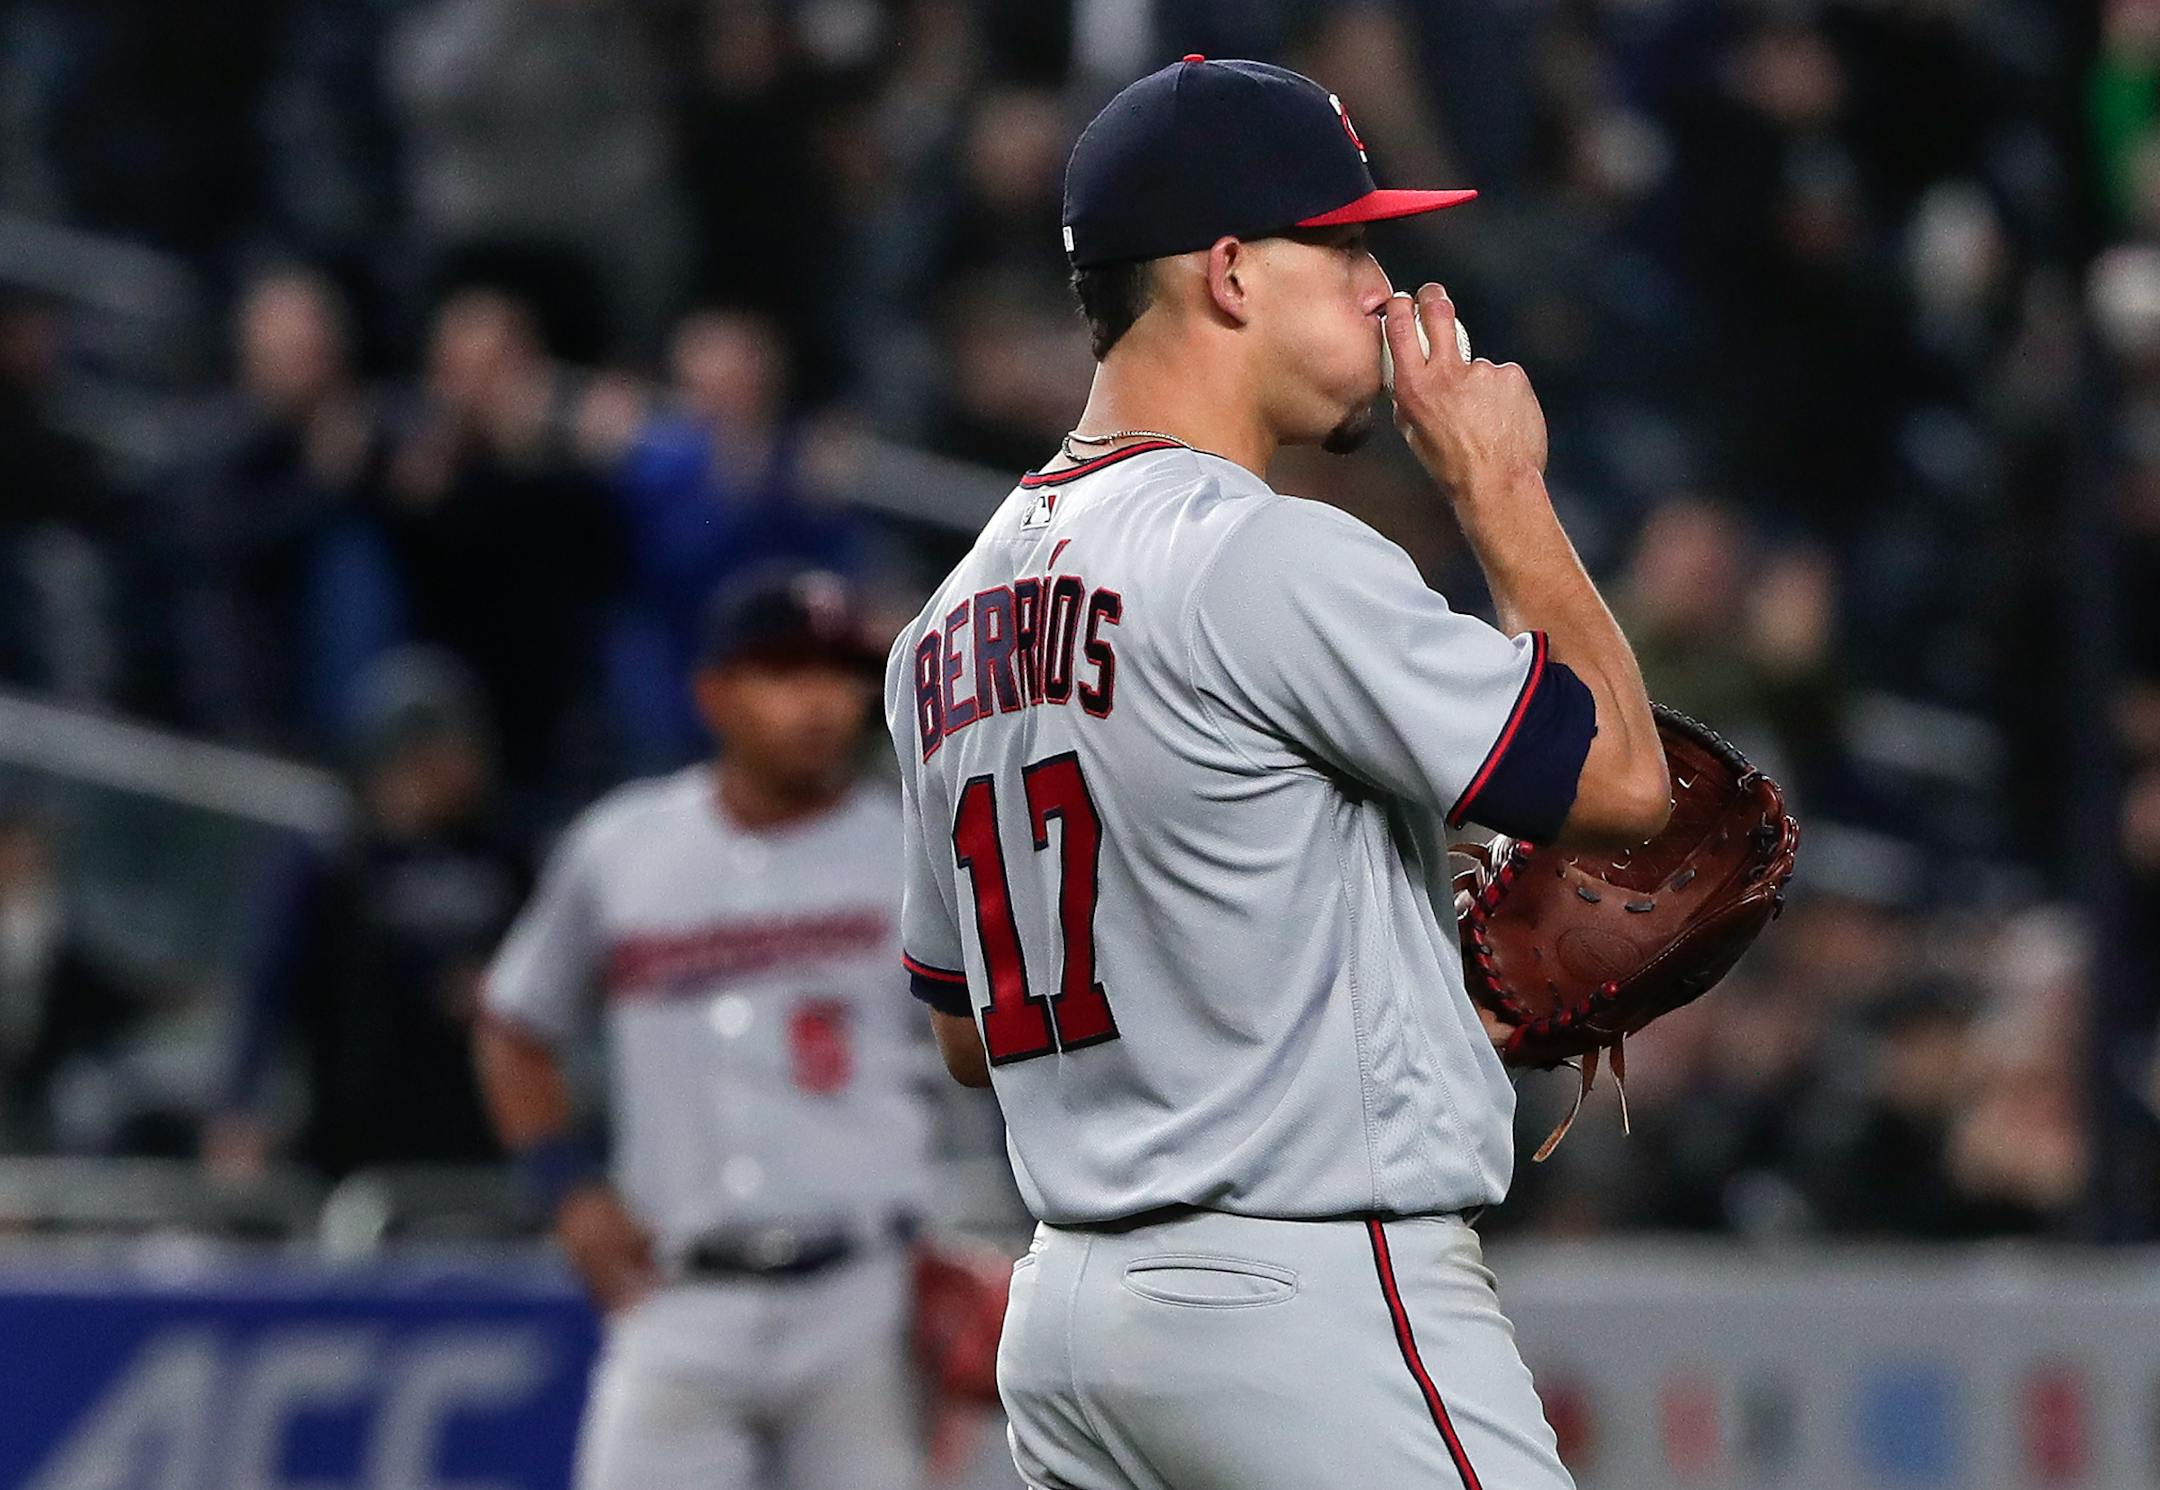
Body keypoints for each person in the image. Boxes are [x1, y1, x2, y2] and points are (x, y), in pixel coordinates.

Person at [885, 58, 1670, 1490]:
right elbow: (1623, 782)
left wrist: (1358, 975)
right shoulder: (1260, 552)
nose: (1383, 289)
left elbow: (968, 1029)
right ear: (1232, 272)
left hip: (1071, 1325)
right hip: (1309, 1298)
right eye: (1348, 242)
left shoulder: (946, 626)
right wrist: (1500, 487)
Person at [476, 567, 932, 1490]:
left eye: (838, 673)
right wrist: (566, 1189)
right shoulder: (624, 848)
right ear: (713, 693)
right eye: (782, 671)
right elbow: (513, 1024)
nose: (817, 701)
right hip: (678, 1294)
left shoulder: (912, 847)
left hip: (868, 1297)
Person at [203, 647, 525, 1181]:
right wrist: (241, 1105)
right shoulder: (331, 859)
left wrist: (499, 991)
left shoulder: (501, 856)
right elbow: (268, 988)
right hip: (352, 1136)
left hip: (478, 1136)